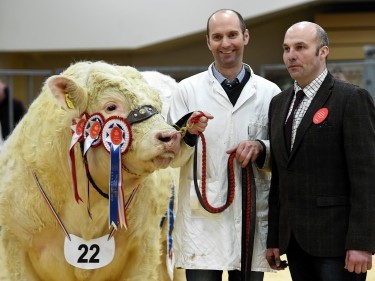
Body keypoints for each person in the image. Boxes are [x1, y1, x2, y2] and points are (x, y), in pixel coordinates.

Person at [168, 9, 281, 281]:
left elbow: (282, 152)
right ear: (208, 42)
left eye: (232, 35)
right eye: (217, 37)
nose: (225, 43)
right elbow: (171, 158)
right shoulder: (187, 91)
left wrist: (261, 147)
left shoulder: (270, 93)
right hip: (202, 220)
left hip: (251, 216)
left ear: (245, 36)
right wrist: (190, 134)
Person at [266, 21, 375, 281]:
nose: (291, 55)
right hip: (294, 242)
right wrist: (274, 237)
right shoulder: (278, 104)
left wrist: (361, 242)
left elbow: (366, 177)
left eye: (301, 47)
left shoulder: (351, 99)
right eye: (286, 48)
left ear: (323, 51)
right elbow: (280, 177)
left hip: (338, 243)